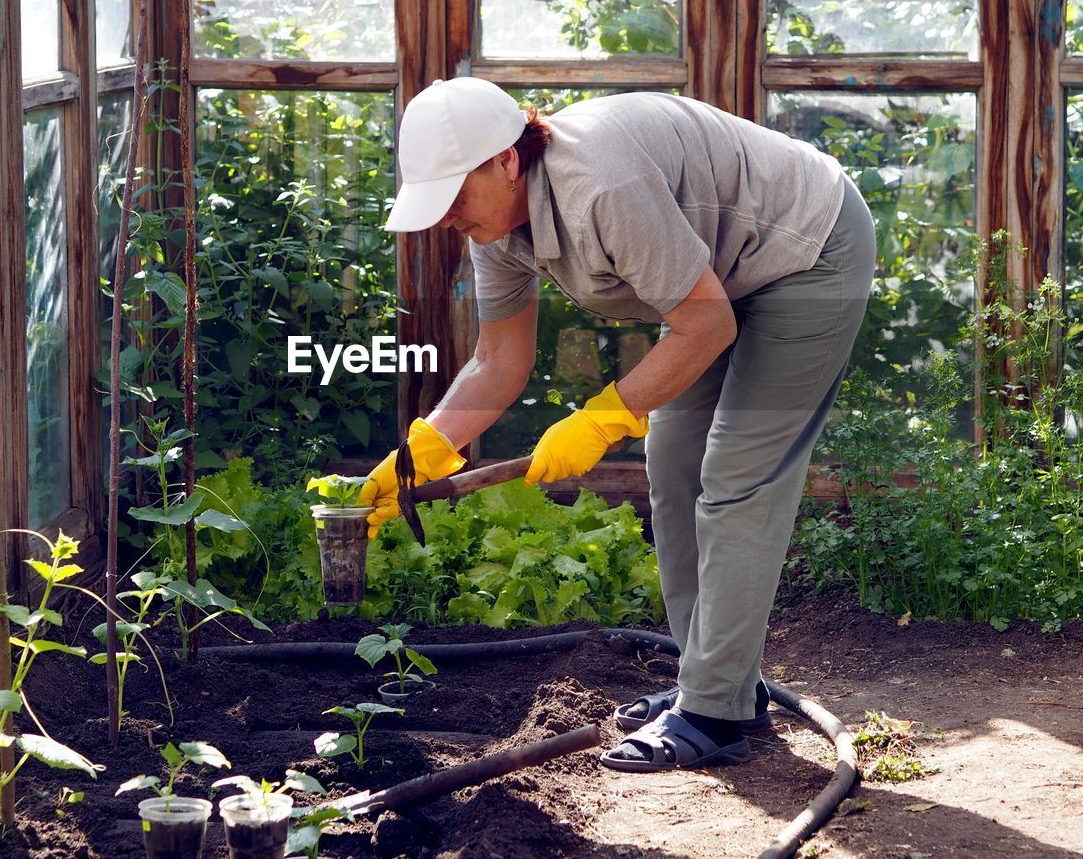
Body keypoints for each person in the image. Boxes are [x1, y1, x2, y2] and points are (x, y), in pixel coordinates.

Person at [357, 77, 876, 771]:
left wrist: (602, 418)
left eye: (454, 192)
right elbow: (497, 359)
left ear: (507, 160)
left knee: (737, 476)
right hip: (718, 276)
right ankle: (717, 685)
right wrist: (425, 448)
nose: (446, 213)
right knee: (672, 466)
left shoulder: (599, 185)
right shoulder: (493, 229)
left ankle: (712, 714)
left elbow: (705, 324)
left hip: (806, 248)